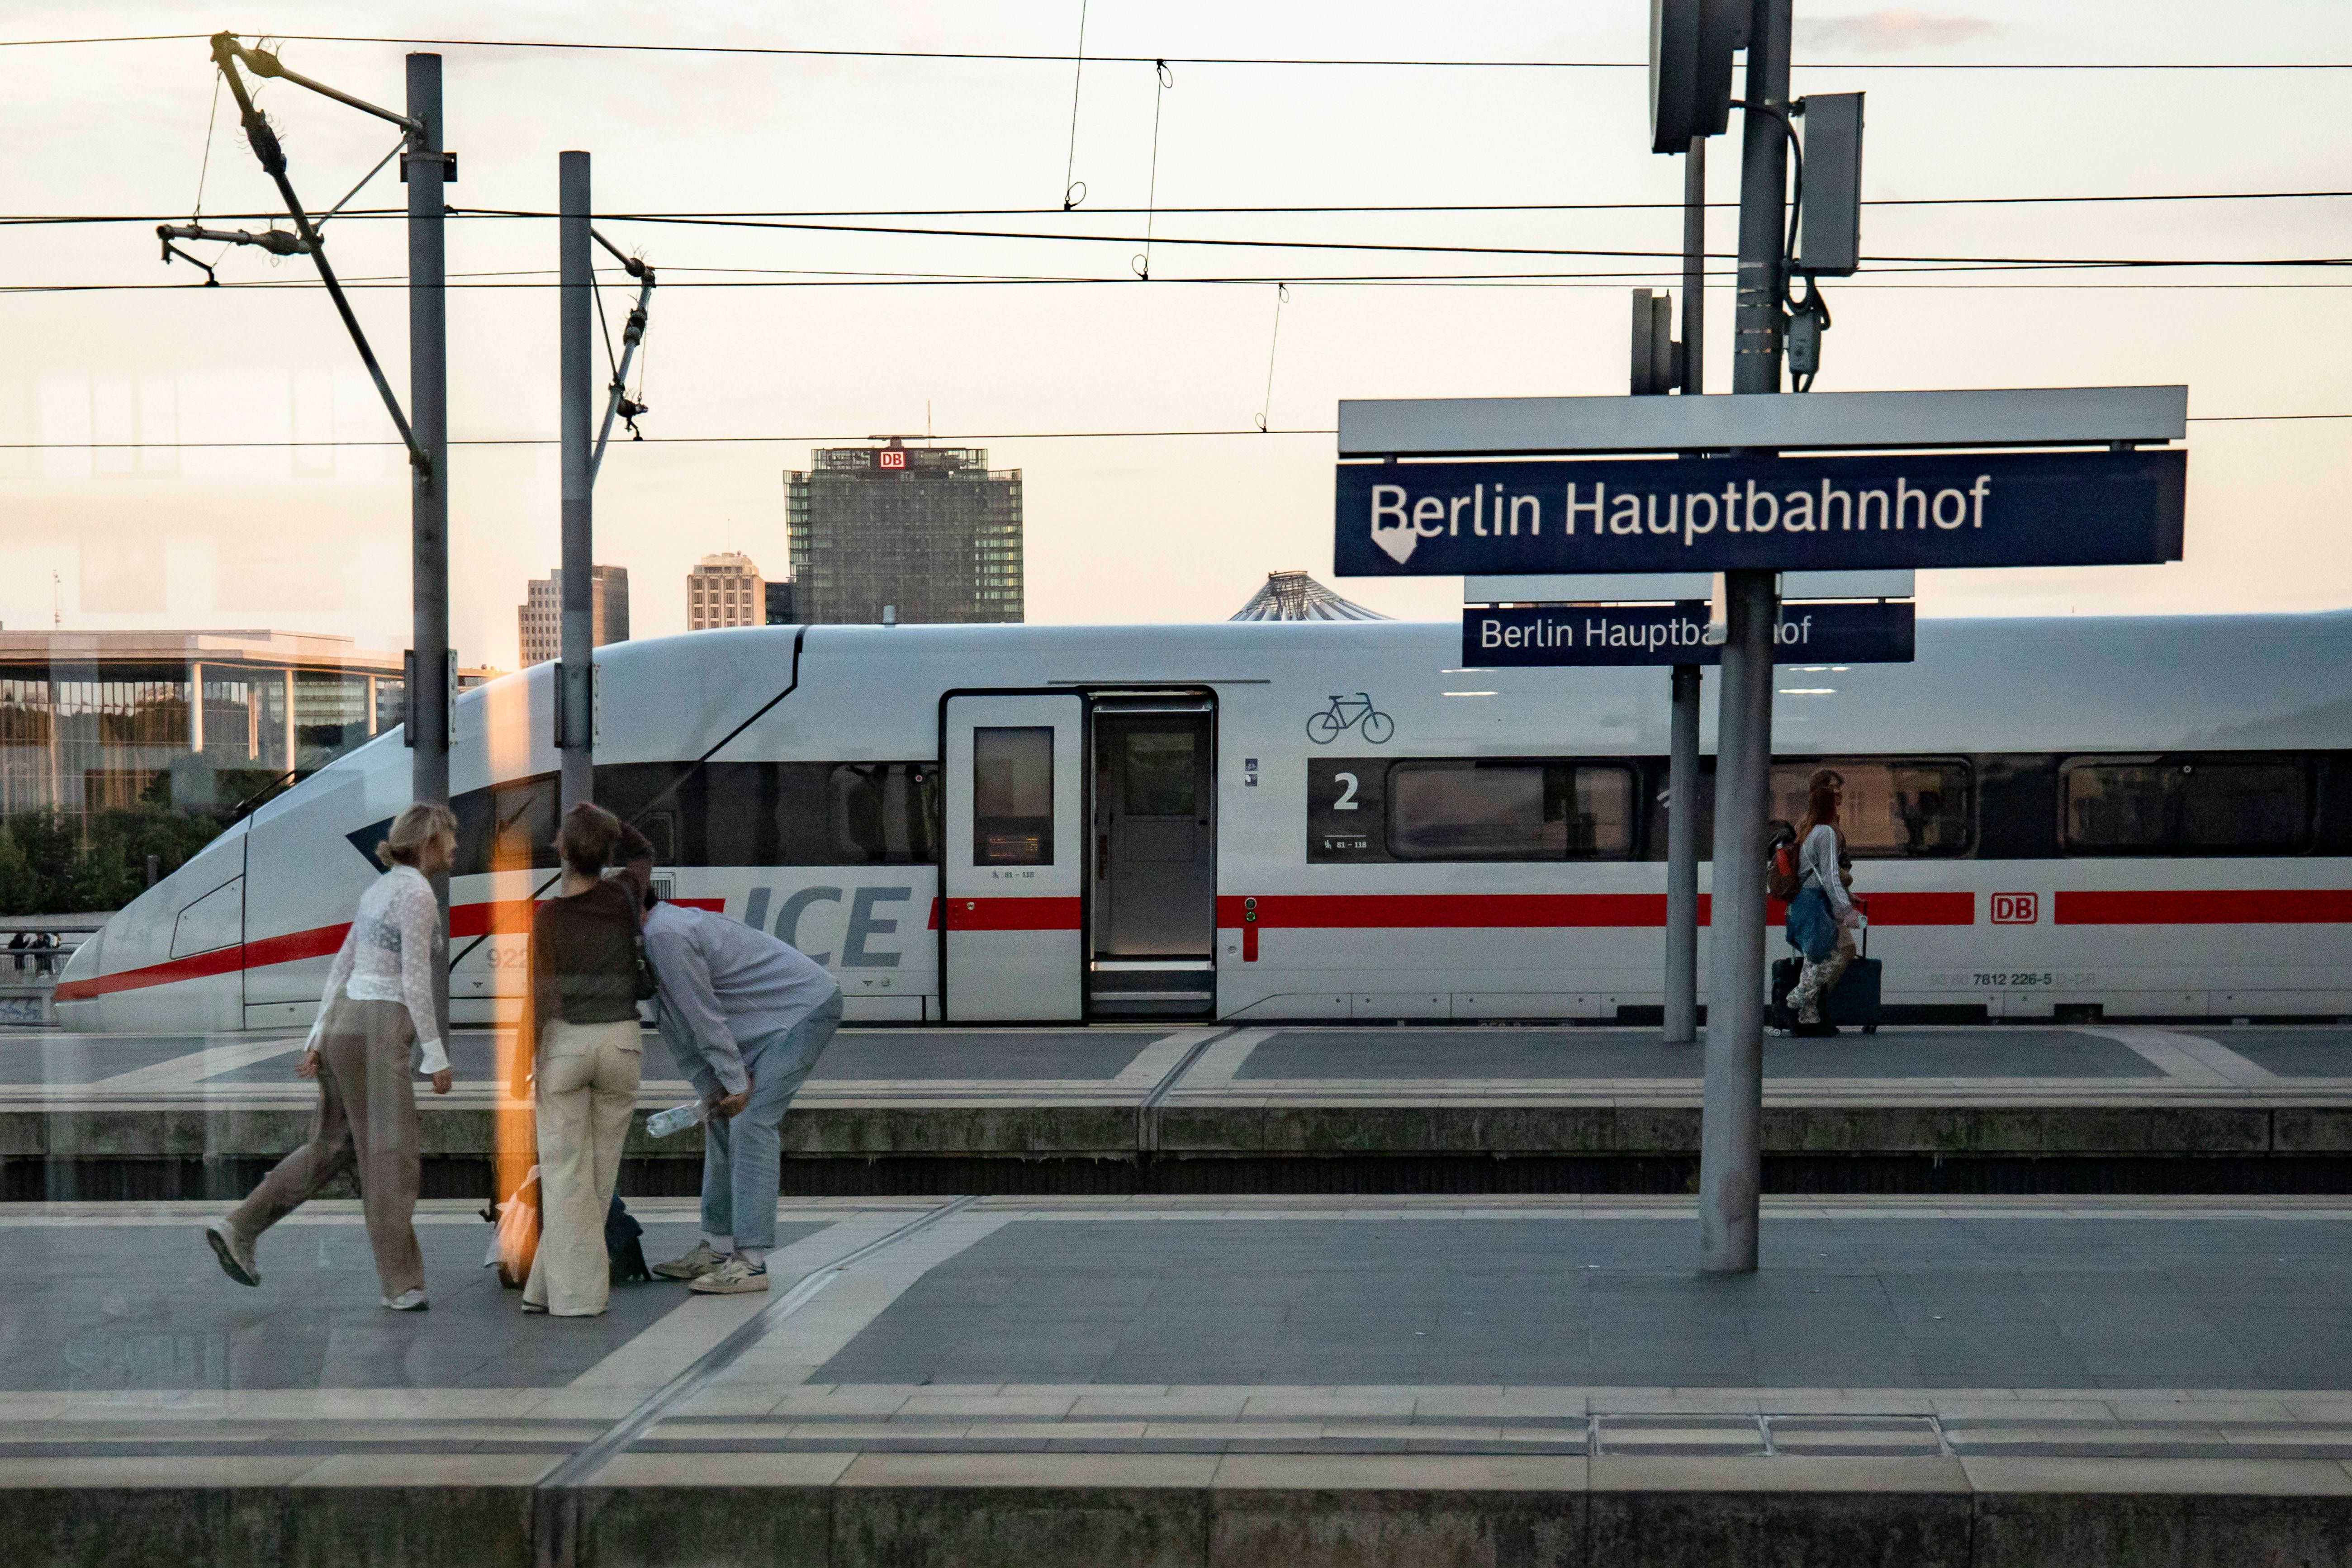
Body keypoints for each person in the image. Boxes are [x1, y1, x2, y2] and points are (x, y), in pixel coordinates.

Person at [204, 802, 457, 1310]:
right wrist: (436, 1055)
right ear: (430, 841)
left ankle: (240, 1226)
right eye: (450, 837)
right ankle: (402, 1284)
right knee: (391, 1155)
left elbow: (342, 965)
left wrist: (319, 1036)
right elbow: (414, 979)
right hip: (379, 1023)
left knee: (331, 1143)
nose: (456, 846)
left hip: (346, 1020)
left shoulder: (377, 889)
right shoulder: (416, 892)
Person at [625, 850, 842, 1295]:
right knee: (724, 1117)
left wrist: (736, 1081)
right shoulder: (647, 944)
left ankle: (751, 1261)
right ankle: (720, 1246)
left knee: (752, 1121)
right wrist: (712, 1088)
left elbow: (703, 1018)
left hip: (801, 1010)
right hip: (761, 1026)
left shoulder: (666, 934)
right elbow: (674, 1026)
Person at [513, 803, 646, 1317]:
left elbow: (540, 997)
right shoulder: (622, 894)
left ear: (562, 850)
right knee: (596, 1178)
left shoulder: (550, 917)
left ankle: (576, 1299)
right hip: (621, 1045)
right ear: (607, 850)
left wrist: (524, 1062)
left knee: (566, 1173)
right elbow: (643, 850)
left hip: (567, 1047)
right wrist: (605, 822)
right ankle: (541, 1288)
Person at [1783, 777, 1864, 1036]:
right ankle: (1796, 998)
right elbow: (1830, 875)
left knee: (1813, 959)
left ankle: (1809, 1018)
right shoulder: (1826, 832)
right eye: (1835, 797)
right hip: (1817, 903)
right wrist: (1845, 909)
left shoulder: (1808, 830)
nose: (1840, 800)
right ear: (1829, 805)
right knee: (1835, 956)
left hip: (1802, 904)